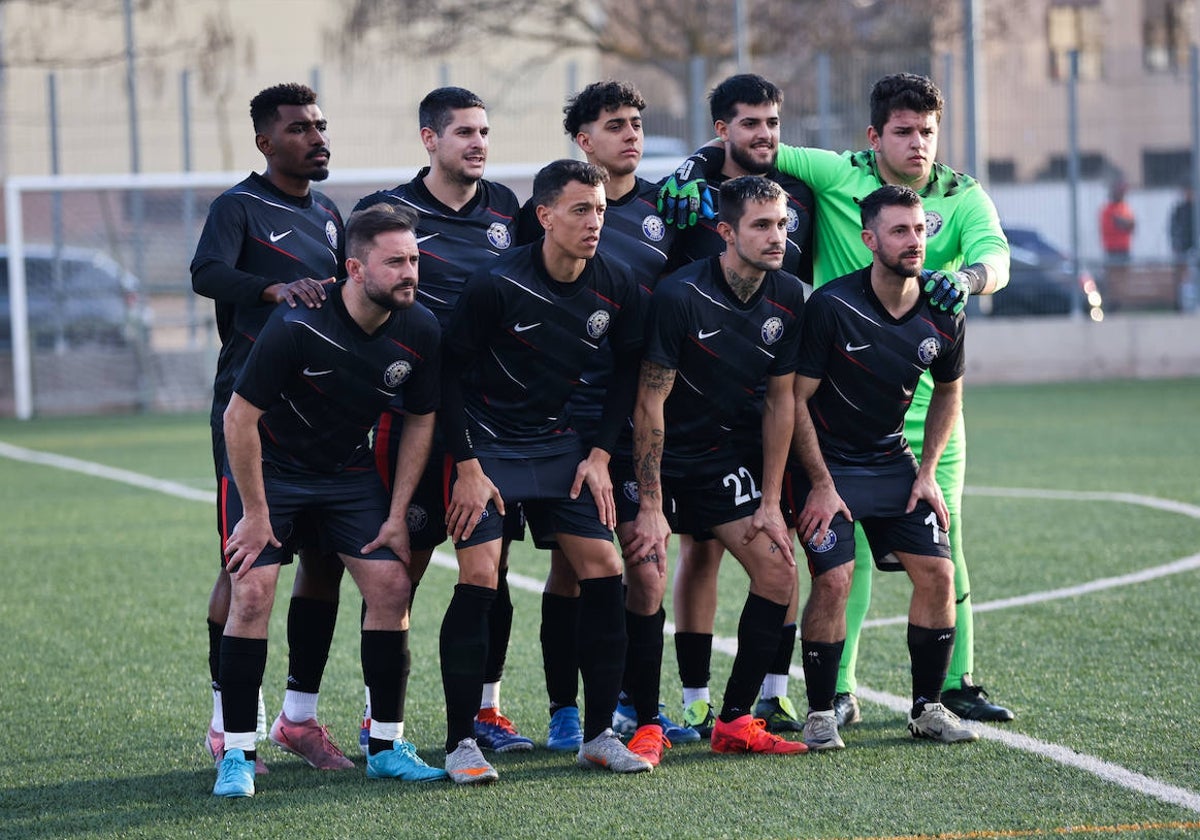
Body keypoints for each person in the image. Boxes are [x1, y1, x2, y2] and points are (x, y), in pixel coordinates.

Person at [659, 72, 1013, 726]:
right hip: (831, 406)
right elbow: (752, 146)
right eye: (904, 132)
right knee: (838, 555)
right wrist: (688, 165)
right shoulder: (835, 172)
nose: (918, 143)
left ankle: (956, 683)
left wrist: (964, 279)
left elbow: (998, 258)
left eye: (928, 131)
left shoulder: (963, 197)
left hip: (923, 410)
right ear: (874, 136)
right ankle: (839, 691)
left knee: (945, 540)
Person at [213, 203, 447, 797]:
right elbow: (239, 419)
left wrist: (396, 515)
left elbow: (420, 421)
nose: (409, 272)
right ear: (354, 268)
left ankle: (388, 745)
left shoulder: (420, 328)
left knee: (392, 587)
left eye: (414, 259)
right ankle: (237, 754)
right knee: (252, 590)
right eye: (394, 262)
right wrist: (258, 514)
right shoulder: (294, 324)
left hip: (346, 475)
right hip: (272, 473)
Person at [437, 159, 652, 783]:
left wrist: (601, 455)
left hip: (559, 445)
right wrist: (468, 465)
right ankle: (461, 743)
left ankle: (598, 735)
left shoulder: (616, 283)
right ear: (545, 215)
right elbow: (447, 375)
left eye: (602, 211)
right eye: (581, 210)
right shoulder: (496, 284)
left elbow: (626, 374)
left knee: (607, 567)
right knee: (481, 572)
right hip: (487, 446)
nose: (594, 223)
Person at [520, 79, 697, 759]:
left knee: (647, 567)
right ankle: (568, 711)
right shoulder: (554, 208)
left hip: (642, 417)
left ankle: (638, 706)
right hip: (566, 424)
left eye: (636, 124)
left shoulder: (667, 210)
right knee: (575, 568)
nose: (631, 135)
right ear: (583, 141)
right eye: (615, 125)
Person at [353, 87, 530, 755]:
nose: (478, 142)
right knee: (400, 573)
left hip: (490, 422)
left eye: (484, 131)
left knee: (492, 566)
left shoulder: (508, 211)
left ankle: (487, 710)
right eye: (463, 132)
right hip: (413, 419)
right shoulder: (393, 214)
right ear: (430, 139)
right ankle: (381, 720)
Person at [190, 82, 353, 776]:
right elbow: (204, 275)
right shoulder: (239, 206)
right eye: (298, 128)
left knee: (324, 561)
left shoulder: (329, 213)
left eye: (319, 125)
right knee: (247, 566)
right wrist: (270, 288)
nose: (316, 137)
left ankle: (299, 717)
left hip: (323, 420)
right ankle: (232, 720)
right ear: (265, 142)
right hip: (250, 415)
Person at [791, 184, 978, 750]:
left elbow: (949, 392)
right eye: (899, 231)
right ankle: (822, 712)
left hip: (891, 461)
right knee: (836, 578)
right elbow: (794, 400)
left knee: (939, 574)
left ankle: (927, 709)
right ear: (870, 240)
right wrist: (820, 485)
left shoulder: (943, 311)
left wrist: (926, 473)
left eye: (920, 229)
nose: (914, 240)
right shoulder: (831, 305)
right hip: (826, 466)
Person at [626, 175, 807, 757]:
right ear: (726, 232)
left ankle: (734, 722)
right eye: (761, 225)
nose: (776, 236)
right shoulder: (680, 295)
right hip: (658, 459)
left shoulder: (789, 296)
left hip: (720, 460)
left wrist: (772, 501)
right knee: (649, 577)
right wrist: (651, 506)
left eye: (781, 224)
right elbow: (649, 401)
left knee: (779, 574)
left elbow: (782, 401)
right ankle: (648, 723)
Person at [661, 73, 817, 737]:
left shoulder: (798, 194)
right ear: (722, 127)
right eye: (749, 123)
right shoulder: (686, 194)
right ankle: (693, 699)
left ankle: (769, 695)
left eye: (772, 123)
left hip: (754, 417)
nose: (764, 135)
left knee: (776, 548)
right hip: (683, 413)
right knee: (696, 556)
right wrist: (688, 163)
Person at [1100, 180, 1136, 262]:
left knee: (1125, 273)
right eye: (1119, 191)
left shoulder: (1125, 207)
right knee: (1114, 272)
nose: (1121, 194)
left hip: (1125, 248)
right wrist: (1125, 223)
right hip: (1112, 249)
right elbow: (1118, 223)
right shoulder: (1107, 210)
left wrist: (1125, 223)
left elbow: (1132, 225)